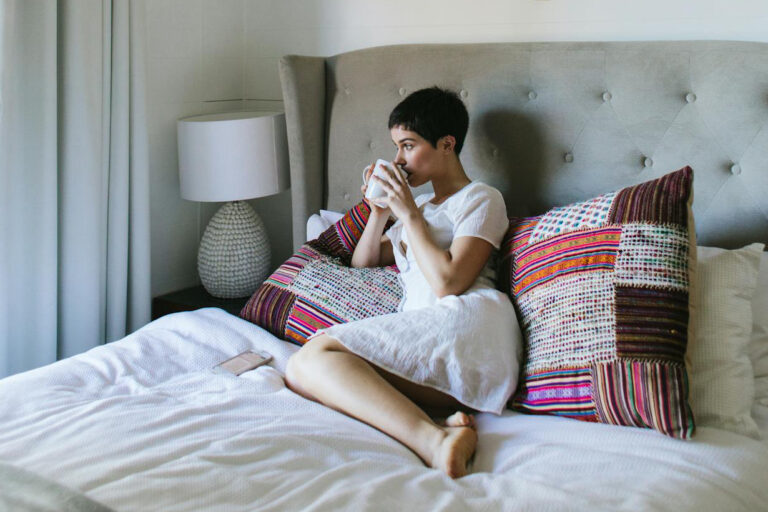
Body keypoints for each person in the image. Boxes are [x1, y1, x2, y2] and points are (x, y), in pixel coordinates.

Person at [285, 87, 522, 478]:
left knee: (315, 356)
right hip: (427, 329)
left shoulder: (481, 198)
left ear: (447, 144)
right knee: (302, 368)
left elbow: (449, 281)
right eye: (396, 148)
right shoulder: (422, 208)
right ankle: (436, 438)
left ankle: (433, 442)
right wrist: (379, 212)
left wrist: (408, 214)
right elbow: (365, 263)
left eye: (408, 146)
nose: (399, 160)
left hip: (467, 323)